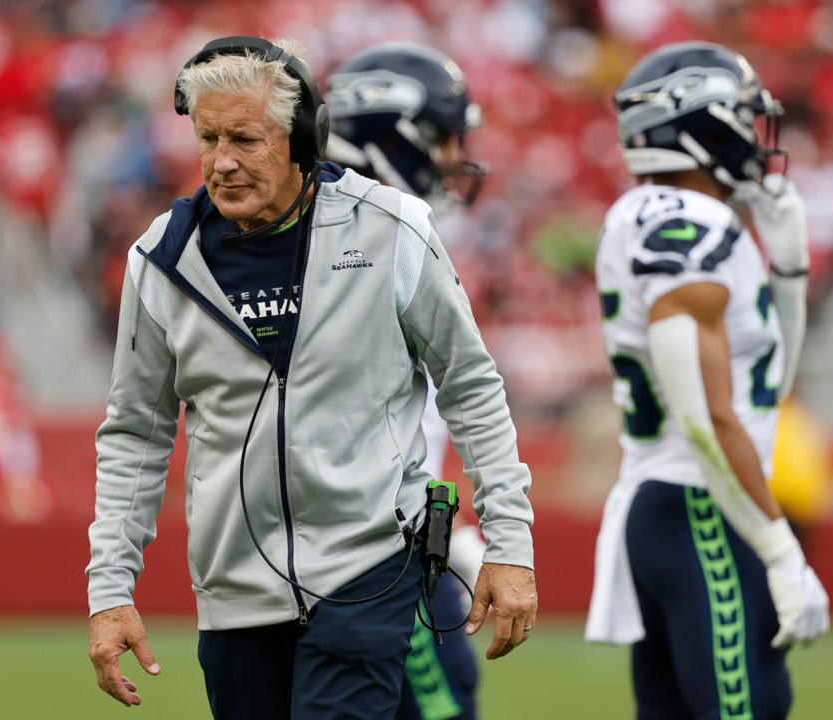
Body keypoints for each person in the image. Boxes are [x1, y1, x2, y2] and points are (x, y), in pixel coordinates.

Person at [85, 36, 537, 720]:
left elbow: (470, 386)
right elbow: (135, 437)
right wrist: (110, 591)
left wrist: (510, 545)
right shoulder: (161, 260)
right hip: (234, 594)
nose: (223, 161)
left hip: (370, 571)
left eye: (246, 138)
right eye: (208, 138)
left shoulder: (392, 228)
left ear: (303, 139)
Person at [584, 42, 830, 719]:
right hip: (703, 509)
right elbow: (706, 418)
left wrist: (789, 274)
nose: (756, 136)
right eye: (744, 118)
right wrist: (782, 549)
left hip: (678, 504)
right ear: (703, 124)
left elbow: (767, 383)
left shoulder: (647, 216)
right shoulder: (690, 225)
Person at [324, 42, 489, 720]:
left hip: (406, 537)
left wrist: (452, 534)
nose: (456, 157)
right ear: (396, 138)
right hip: (375, 553)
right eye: (446, 138)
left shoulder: (386, 234)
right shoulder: (352, 244)